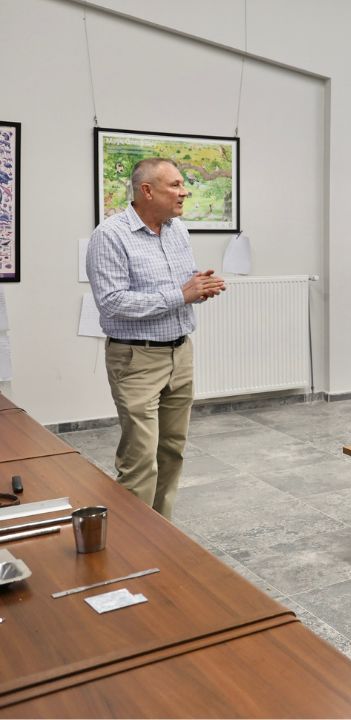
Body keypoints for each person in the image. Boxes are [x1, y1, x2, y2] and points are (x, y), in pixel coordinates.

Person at [86, 158, 226, 520]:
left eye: (184, 185)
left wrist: (199, 285)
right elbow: (113, 303)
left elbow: (174, 284)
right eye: (176, 185)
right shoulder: (110, 236)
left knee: (172, 450)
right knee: (140, 459)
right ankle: (130, 547)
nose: (184, 192)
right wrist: (182, 294)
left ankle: (161, 534)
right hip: (136, 360)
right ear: (146, 190)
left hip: (180, 353)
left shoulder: (177, 229)